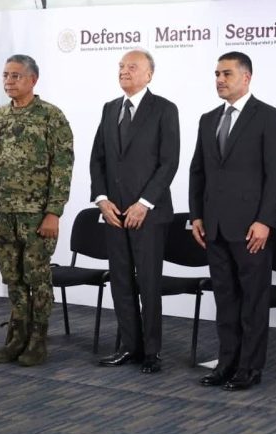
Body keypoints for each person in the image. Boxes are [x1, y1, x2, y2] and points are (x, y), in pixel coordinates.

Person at [189, 52, 276, 391]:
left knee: (253, 301)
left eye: (227, 74)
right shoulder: (208, 119)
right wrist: (196, 215)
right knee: (225, 300)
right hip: (214, 227)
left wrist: (265, 221)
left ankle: (249, 367)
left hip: (251, 229)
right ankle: (226, 363)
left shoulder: (269, 117)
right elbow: (198, 171)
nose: (220, 79)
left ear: (246, 77)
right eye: (217, 74)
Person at [0, 54, 74, 367]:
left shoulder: (51, 117)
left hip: (36, 216)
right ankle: (17, 336)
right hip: (1, 214)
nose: (9, 81)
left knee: (37, 277)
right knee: (13, 278)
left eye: (15, 75)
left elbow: (62, 167)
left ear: (33, 79)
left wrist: (54, 212)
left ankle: (38, 340)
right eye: (5, 75)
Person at [89, 48, 179, 374]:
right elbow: (98, 159)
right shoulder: (110, 108)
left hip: (149, 215)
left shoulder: (164, 109)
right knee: (121, 282)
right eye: (121, 66)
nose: (124, 71)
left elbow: (169, 162)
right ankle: (129, 346)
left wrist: (144, 203)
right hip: (114, 213)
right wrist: (101, 199)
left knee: (149, 284)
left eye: (132, 66)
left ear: (148, 74)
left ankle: (152, 352)